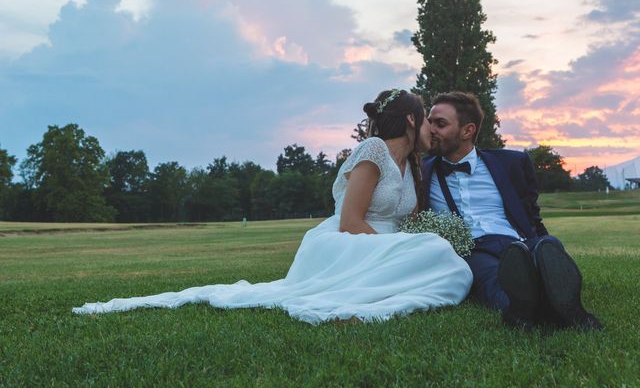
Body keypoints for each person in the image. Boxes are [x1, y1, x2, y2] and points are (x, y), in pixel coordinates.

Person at [73, 89, 473, 324]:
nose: (431, 133)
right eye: (427, 123)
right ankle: (358, 303)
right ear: (409, 120)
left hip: (379, 243)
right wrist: (397, 248)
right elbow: (351, 221)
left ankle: (390, 286)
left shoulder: (413, 165)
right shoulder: (373, 150)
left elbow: (405, 222)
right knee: (434, 252)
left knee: (446, 258)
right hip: (347, 241)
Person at [421, 91, 601, 329]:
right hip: (473, 249)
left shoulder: (512, 163)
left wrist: (542, 241)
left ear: (468, 130)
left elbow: (531, 213)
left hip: (516, 241)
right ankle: (525, 310)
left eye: (440, 124)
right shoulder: (421, 172)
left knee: (548, 246)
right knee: (493, 279)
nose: (431, 129)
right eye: (429, 122)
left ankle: (561, 297)